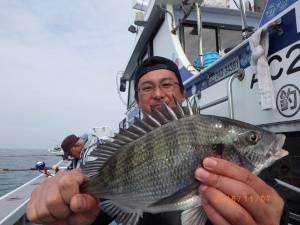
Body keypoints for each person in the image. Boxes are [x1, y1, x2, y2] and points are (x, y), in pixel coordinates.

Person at [26, 56, 288, 225]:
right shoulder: (116, 157)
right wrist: (50, 211)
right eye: (147, 88)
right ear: (139, 100)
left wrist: (276, 218)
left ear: (183, 93)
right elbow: (87, 211)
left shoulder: (252, 173)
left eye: (167, 84)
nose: (159, 94)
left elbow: (271, 203)